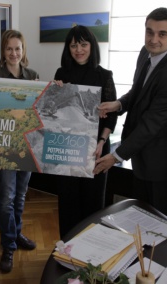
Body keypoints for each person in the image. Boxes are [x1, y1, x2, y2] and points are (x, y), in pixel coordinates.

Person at [94, 7, 167, 220]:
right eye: (149, 32)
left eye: (162, 34)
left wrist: (116, 156)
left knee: (160, 223)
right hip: (141, 157)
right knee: (140, 218)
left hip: (162, 162)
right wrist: (118, 104)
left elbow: (151, 124)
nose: (154, 39)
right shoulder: (145, 52)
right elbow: (138, 90)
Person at [53, 25, 118, 238]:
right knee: (68, 200)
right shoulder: (61, 74)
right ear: (68, 48)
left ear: (91, 46)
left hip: (95, 148)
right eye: (73, 45)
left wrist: (101, 141)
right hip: (67, 147)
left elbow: (111, 115)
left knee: (93, 201)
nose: (78, 49)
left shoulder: (104, 76)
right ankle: (67, 248)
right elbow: (54, 109)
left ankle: (91, 251)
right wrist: (54, 91)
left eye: (83, 44)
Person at [0, 29, 38, 274]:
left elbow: (40, 112)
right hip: (4, 149)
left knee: (20, 197)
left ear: (23, 50)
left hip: (26, 147)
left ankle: (17, 234)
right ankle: (8, 244)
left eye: (18, 48)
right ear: (3, 51)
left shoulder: (33, 76)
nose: (14, 53)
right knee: (6, 199)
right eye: (9, 48)